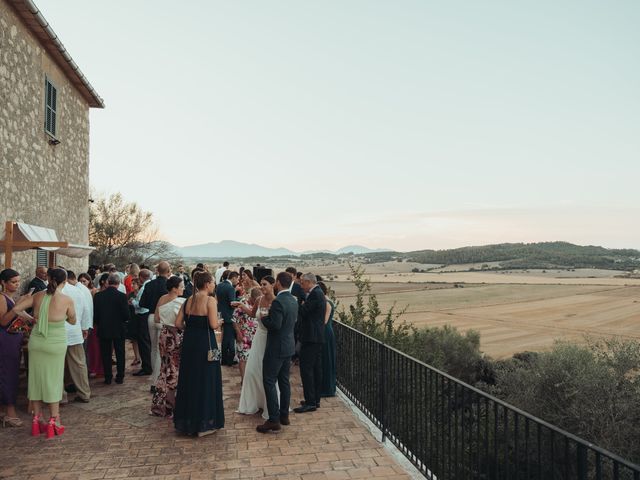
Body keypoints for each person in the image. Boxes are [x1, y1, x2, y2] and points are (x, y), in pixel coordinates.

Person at [13, 268, 76, 438]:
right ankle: (53, 420)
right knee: (54, 380)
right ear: (64, 282)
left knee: (35, 378)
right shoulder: (67, 299)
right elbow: (73, 320)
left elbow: (17, 309)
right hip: (55, 343)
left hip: (37, 341)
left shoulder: (37, 296)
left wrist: (32, 319)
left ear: (48, 278)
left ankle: (36, 419)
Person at [174, 271, 224, 437]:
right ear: (207, 284)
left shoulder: (188, 300)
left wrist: (192, 329)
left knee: (189, 380)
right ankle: (204, 424)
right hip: (205, 343)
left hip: (190, 343)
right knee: (207, 380)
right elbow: (213, 324)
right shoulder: (210, 300)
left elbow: (178, 323)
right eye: (213, 282)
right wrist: (220, 322)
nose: (214, 285)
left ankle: (187, 422)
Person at [257, 272, 298, 433]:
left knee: (269, 381)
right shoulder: (293, 300)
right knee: (284, 381)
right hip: (289, 346)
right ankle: (284, 415)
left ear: (278, 283)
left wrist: (263, 317)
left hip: (276, 347)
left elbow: (275, 325)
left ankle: (273, 419)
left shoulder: (278, 301)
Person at [236, 276, 276, 419]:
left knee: (267, 373)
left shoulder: (276, 301)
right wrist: (241, 306)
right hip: (258, 337)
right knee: (252, 371)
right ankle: (253, 402)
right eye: (261, 284)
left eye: (264, 284)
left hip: (270, 339)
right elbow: (253, 314)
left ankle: (269, 404)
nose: (262, 287)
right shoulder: (259, 300)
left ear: (273, 285)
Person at [150, 276, 186, 417]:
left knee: (165, 368)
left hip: (164, 334)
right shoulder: (181, 302)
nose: (183, 288)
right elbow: (181, 322)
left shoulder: (162, 298)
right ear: (174, 288)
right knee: (174, 369)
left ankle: (160, 404)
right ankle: (173, 405)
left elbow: (156, 319)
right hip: (176, 335)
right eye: (181, 286)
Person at [0, 269, 29, 428]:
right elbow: (4, 321)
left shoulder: (10, 297)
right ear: (3, 283)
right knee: (8, 374)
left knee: (11, 373)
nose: (17, 285)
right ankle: (9, 412)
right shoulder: (1, 298)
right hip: (5, 342)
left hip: (13, 341)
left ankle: (5, 410)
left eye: (18, 281)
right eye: (13, 282)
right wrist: (18, 306)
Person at [294, 273, 326, 413]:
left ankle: (310, 402)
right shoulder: (318, 293)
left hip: (311, 337)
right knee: (316, 368)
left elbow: (303, 311)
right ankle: (315, 399)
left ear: (308, 282)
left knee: (306, 369)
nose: (301, 286)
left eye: (302, 283)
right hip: (316, 337)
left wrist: (299, 303)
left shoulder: (315, 294)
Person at [138, 261, 171, 387]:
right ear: (168, 271)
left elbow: (142, 303)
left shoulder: (149, 284)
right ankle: (159, 380)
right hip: (164, 317)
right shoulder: (169, 285)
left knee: (154, 349)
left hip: (151, 316)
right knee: (161, 350)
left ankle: (154, 379)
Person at [61, 271, 92, 403]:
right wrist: (85, 327)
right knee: (79, 364)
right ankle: (84, 393)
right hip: (75, 331)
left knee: (58, 366)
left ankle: (61, 396)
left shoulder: (49, 292)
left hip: (58, 333)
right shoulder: (77, 290)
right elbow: (86, 309)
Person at [93, 273, 129, 385]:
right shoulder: (122, 296)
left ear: (108, 282)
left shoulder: (98, 296)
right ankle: (120, 376)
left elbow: (96, 315)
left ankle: (108, 377)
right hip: (119, 328)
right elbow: (126, 315)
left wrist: (99, 323)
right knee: (120, 352)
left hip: (104, 327)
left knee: (106, 353)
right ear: (118, 283)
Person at [231, 287, 260, 383]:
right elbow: (234, 320)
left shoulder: (260, 302)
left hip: (256, 335)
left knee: (254, 357)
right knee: (243, 357)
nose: (257, 302)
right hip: (244, 334)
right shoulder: (243, 303)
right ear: (250, 297)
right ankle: (243, 379)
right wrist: (238, 333)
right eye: (255, 300)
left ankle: (252, 378)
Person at [131, 268, 153, 376]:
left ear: (141, 277)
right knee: (145, 341)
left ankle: (147, 367)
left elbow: (140, 304)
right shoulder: (149, 285)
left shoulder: (145, 287)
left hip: (143, 315)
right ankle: (147, 365)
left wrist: (133, 301)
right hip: (146, 314)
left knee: (144, 342)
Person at [86, 273, 108, 377]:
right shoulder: (95, 292)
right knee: (95, 347)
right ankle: (94, 367)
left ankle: (102, 367)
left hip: (105, 323)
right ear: (103, 281)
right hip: (96, 322)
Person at [216, 271, 239, 366]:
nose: (237, 281)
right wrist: (240, 301)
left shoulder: (220, 285)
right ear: (233, 278)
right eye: (237, 279)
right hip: (229, 316)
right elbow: (232, 303)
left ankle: (224, 359)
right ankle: (229, 359)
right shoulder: (230, 288)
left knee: (225, 339)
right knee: (229, 339)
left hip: (221, 315)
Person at [318, 282, 336, 398]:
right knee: (322, 360)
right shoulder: (324, 301)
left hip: (325, 333)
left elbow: (324, 321)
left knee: (327, 360)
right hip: (323, 332)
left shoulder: (327, 303)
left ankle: (328, 389)